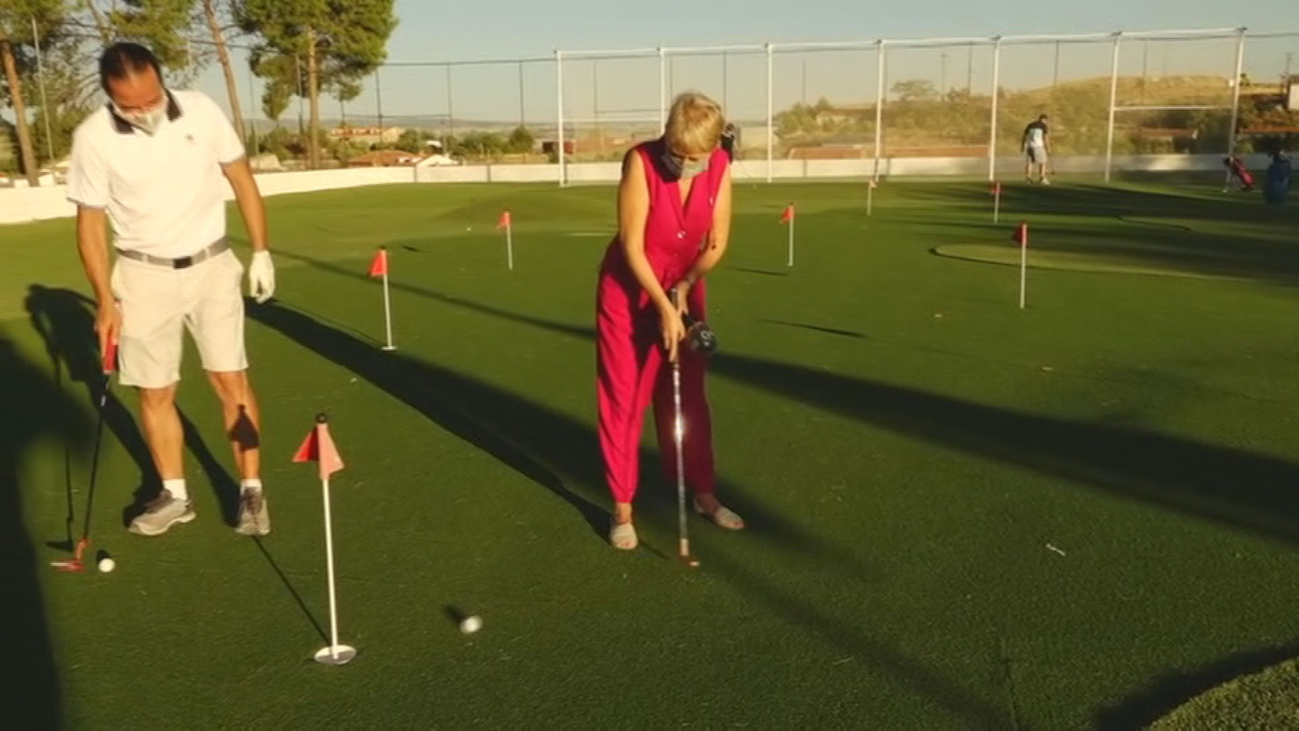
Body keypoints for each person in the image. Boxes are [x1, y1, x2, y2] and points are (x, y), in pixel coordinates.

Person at [67, 43, 276, 537]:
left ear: (162, 80)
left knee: (230, 380)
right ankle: (175, 495)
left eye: (151, 99)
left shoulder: (201, 111)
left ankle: (251, 492)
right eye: (130, 106)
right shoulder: (93, 137)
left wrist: (261, 250)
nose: (144, 112)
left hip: (211, 266)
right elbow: (90, 223)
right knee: (155, 389)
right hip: (143, 275)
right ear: (110, 96)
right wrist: (104, 300)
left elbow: (242, 179)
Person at [596, 91, 745, 550]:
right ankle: (622, 508)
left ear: (713, 147)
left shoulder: (720, 165)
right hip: (629, 290)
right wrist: (663, 306)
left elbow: (716, 242)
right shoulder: (640, 161)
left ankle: (703, 493)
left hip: (684, 284)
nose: (682, 163)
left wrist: (683, 288)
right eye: (676, 152)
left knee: (688, 396)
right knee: (625, 396)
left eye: (693, 157)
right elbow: (631, 244)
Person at [1021, 114, 1051, 185]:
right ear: (1044, 119)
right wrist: (1048, 148)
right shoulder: (1043, 125)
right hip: (1038, 146)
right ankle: (1042, 178)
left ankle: (1028, 179)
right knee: (1043, 162)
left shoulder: (1030, 125)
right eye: (1046, 120)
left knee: (1030, 163)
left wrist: (1022, 146)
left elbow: (1024, 136)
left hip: (1030, 146)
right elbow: (1045, 137)